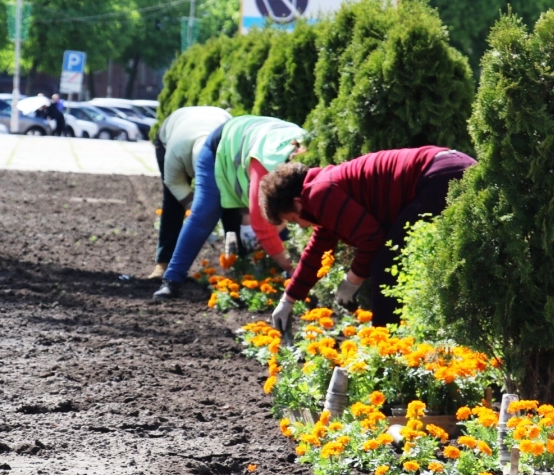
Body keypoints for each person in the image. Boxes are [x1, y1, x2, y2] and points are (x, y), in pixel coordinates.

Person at [259, 146, 476, 329]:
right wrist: (288, 299)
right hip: (452, 163)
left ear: (297, 203)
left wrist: (352, 280)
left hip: (441, 176)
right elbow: (317, 250)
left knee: (386, 263)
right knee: (399, 259)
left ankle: (386, 355)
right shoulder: (320, 191)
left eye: (295, 220)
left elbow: (372, 239)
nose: (302, 225)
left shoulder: (319, 193)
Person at [153, 115, 306, 300]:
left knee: (285, 216)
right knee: (204, 215)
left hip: (258, 136)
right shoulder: (266, 166)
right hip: (219, 148)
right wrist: (292, 269)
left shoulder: (314, 163)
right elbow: (261, 225)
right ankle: (171, 281)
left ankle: (263, 272)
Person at [150, 106, 232, 279]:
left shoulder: (230, 148)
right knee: (172, 204)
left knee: (231, 202)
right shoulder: (176, 150)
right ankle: (163, 263)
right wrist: (199, 212)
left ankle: (237, 261)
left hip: (214, 124)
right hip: (171, 134)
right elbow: (173, 182)